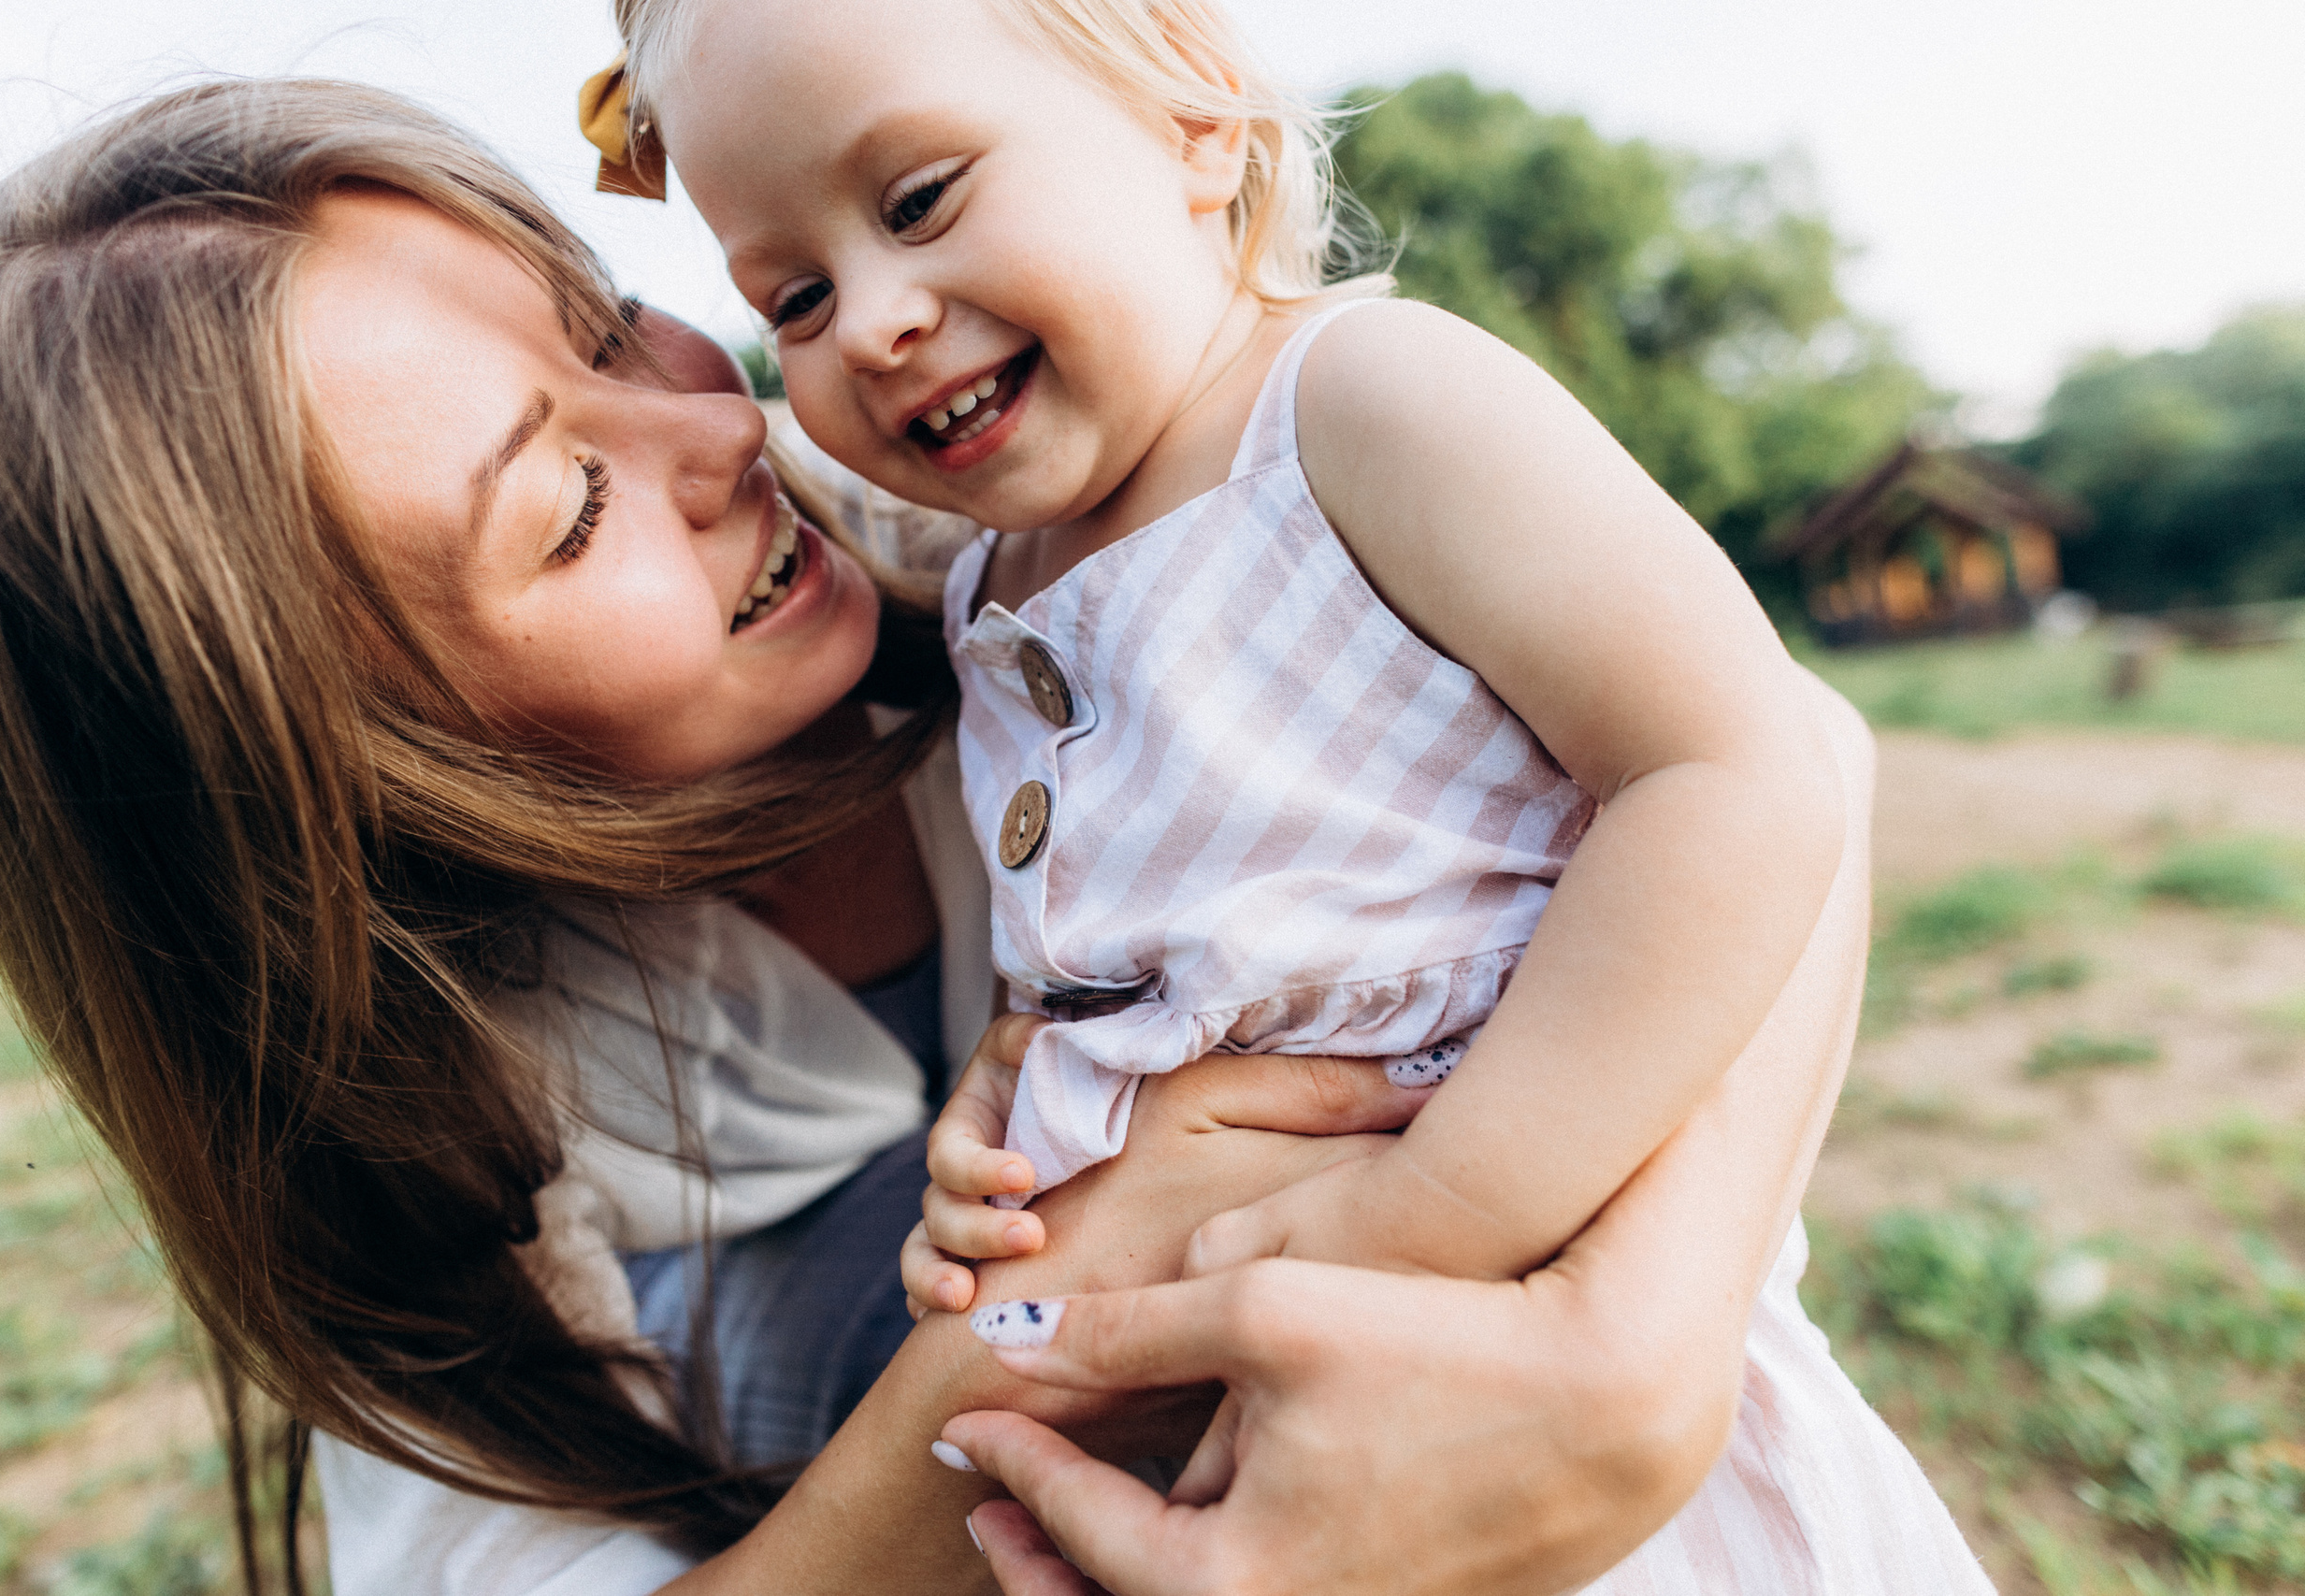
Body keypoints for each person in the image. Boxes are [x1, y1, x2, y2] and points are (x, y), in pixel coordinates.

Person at [604, 0, 1990, 1586]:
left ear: (1195, 122)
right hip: (1229, 1438)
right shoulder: (991, 585)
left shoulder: (1360, 403)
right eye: (793, 295)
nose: (873, 322)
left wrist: (1430, 1212)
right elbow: (1144, 947)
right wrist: (1006, 1133)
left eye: (917, 202)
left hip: (1495, 1374)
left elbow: (1733, 771)